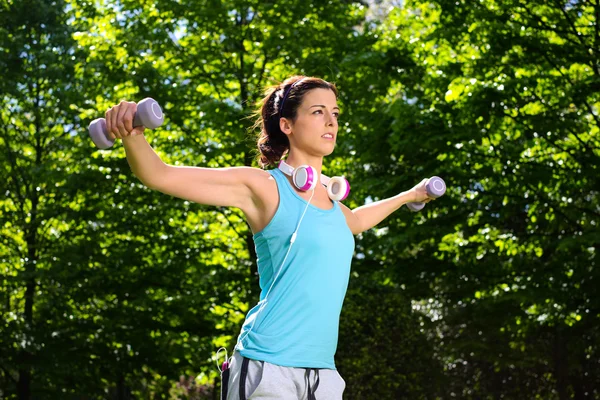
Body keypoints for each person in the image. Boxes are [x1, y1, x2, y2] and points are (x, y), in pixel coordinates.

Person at [103, 75, 436, 399]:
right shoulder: (262, 187)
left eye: (334, 114)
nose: (330, 122)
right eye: (318, 112)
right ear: (287, 125)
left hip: (323, 377)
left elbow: (359, 220)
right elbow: (159, 174)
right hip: (268, 368)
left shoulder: (333, 207)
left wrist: (410, 195)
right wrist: (133, 135)